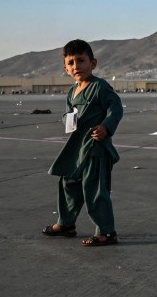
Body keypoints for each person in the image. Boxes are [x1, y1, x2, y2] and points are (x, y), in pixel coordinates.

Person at [43, 39, 123, 247]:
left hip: (96, 148)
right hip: (76, 149)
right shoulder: (73, 91)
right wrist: (67, 120)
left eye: (81, 60)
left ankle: (106, 231)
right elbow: (68, 115)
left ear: (92, 63)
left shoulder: (100, 87)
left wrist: (106, 126)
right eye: (71, 63)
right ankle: (66, 223)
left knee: (94, 189)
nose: (76, 66)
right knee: (68, 183)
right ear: (65, 68)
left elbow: (116, 108)